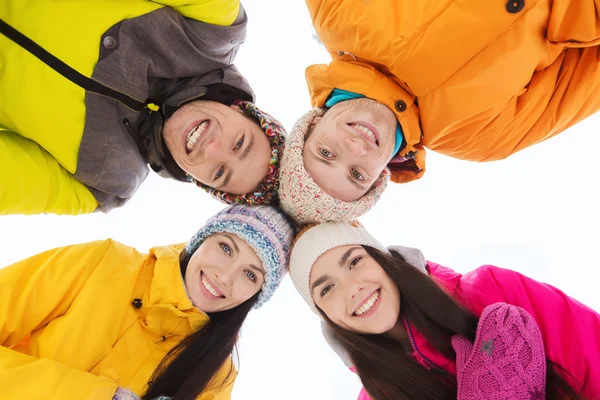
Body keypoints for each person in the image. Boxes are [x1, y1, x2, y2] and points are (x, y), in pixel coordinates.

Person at [278, 0, 600, 223]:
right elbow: (588, 77)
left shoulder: (335, 14)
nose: (356, 149)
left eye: (326, 152)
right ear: (380, 178)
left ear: (313, 124)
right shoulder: (476, 136)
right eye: (357, 175)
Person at [0, 0, 286, 216]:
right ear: (242, 110)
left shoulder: (103, 182)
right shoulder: (213, 28)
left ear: (200, 183)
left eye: (220, 173)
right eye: (239, 143)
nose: (211, 150)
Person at [0, 204, 294, 399]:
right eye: (226, 248)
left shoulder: (217, 375)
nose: (225, 276)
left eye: (250, 275)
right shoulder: (106, 262)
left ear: (256, 296)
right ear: (201, 240)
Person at [288, 221, 600, 399]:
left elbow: (591, 352)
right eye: (327, 289)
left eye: (355, 262)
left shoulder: (491, 291)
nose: (352, 288)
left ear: (383, 260)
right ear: (325, 316)